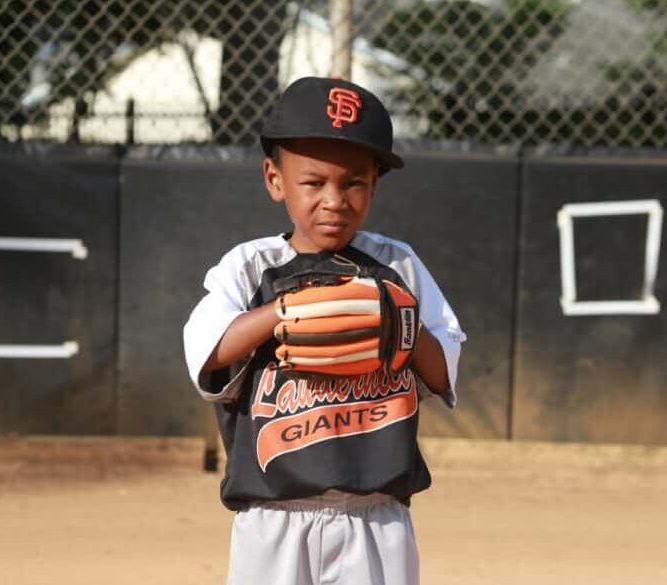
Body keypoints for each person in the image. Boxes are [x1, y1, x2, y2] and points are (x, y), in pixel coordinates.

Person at [182, 76, 466, 585]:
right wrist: (286, 312)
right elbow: (209, 352)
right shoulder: (249, 268)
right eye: (314, 182)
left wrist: (398, 319)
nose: (335, 200)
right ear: (275, 180)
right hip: (273, 516)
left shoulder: (397, 266)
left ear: (375, 183)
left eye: (353, 182)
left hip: (376, 513)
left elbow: (443, 370)